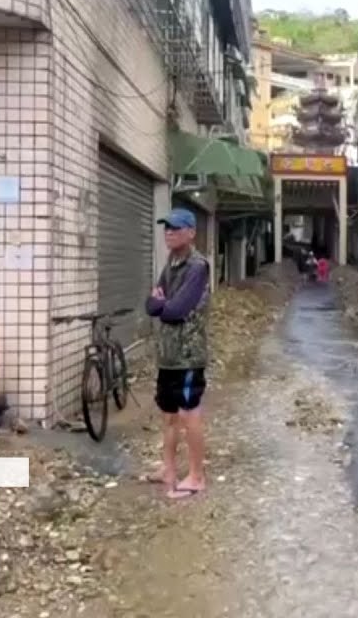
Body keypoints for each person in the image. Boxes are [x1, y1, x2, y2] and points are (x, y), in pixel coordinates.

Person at [144, 208, 211, 499]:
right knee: (169, 415)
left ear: (191, 232)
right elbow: (150, 305)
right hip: (167, 355)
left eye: (176, 227)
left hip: (187, 355)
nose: (169, 232)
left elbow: (176, 310)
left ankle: (197, 475)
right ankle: (169, 469)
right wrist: (159, 304)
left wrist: (162, 305)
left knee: (188, 414)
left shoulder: (197, 267)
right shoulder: (170, 263)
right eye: (166, 228)